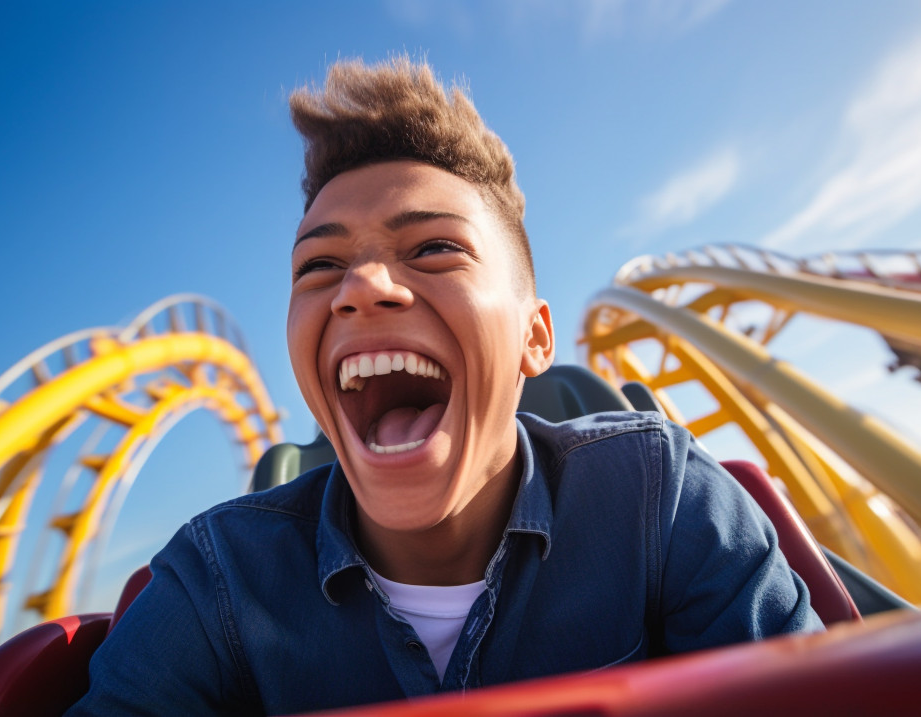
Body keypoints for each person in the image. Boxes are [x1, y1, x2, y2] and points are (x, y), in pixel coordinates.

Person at [68, 55, 821, 716]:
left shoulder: (662, 498)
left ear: (536, 336)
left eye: (432, 247)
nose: (359, 286)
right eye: (319, 267)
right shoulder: (219, 577)